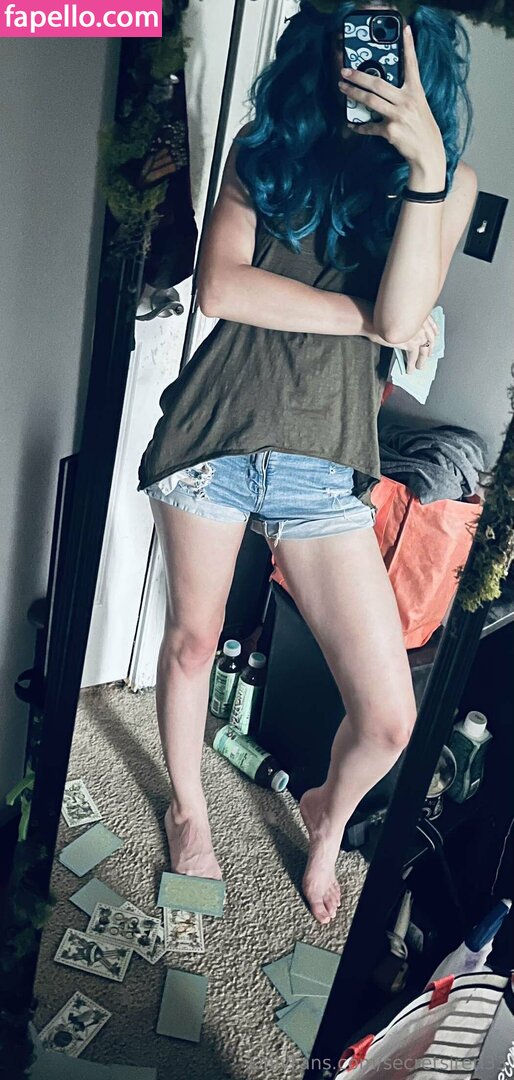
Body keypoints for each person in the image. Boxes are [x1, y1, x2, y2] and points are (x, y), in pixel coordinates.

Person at [137, 0, 478, 925]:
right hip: (215, 433)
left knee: (389, 720)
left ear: (426, 59)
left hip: (325, 465)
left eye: (389, 44)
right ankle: (189, 809)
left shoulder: (448, 182)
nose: (363, 61)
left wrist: (426, 169)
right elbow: (221, 287)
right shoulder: (268, 145)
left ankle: (326, 818)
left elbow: (403, 316)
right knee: (193, 641)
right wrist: (369, 321)